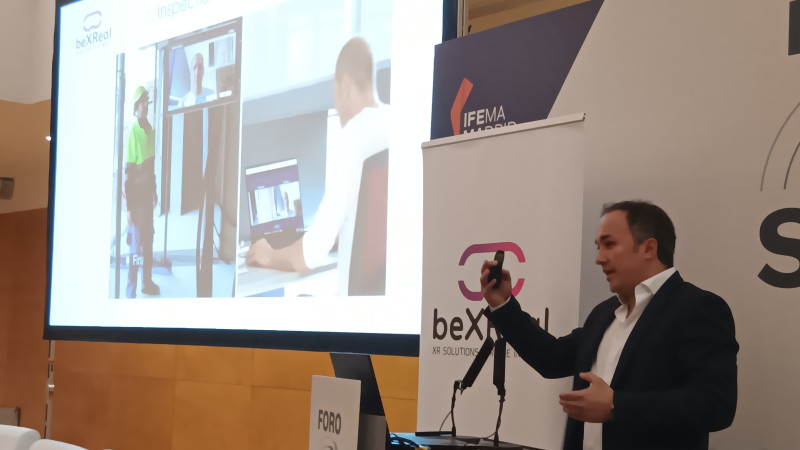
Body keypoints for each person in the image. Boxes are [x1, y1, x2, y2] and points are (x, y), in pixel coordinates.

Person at [480, 200, 738, 450]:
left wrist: (616, 405)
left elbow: (716, 405)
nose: (599, 258)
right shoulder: (604, 313)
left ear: (648, 248)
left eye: (610, 244)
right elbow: (553, 358)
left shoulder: (698, 308)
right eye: (598, 247)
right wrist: (503, 305)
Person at [246, 37, 389, 295]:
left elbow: (309, 256)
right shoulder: (398, 123)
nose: (337, 107)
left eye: (335, 95)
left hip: (352, 310)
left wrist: (268, 255)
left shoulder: (352, 137)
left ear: (345, 85)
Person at [124, 86, 160, 297]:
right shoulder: (133, 134)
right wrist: (129, 209)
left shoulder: (151, 131)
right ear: (136, 106)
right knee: (135, 249)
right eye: (142, 102)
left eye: (147, 101)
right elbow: (129, 173)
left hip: (147, 199)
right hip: (137, 201)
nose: (145, 105)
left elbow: (151, 167)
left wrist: (154, 191)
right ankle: (130, 292)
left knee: (148, 242)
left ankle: (147, 282)